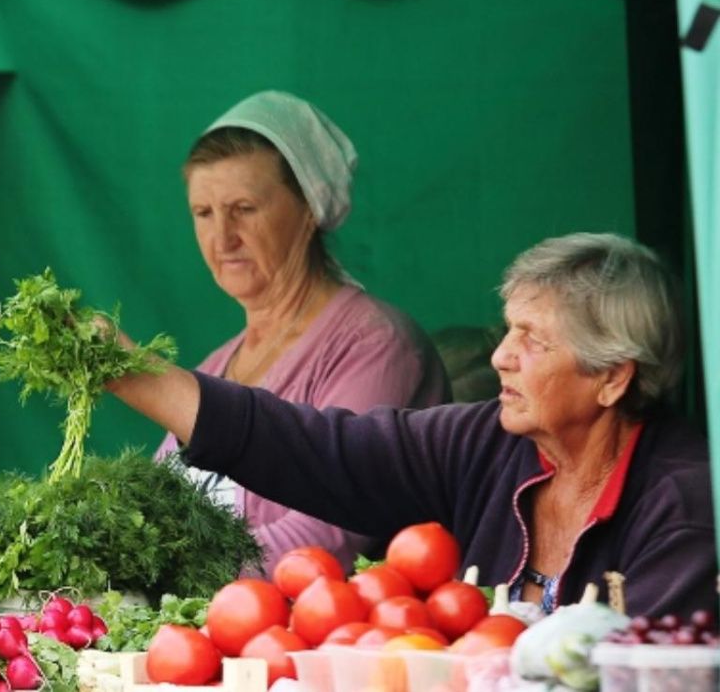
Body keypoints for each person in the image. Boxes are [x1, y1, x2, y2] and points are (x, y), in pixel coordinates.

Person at [115, 232, 715, 617]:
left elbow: (644, 673)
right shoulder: (486, 443)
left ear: (613, 378)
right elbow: (323, 451)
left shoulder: (684, 502)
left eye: (532, 340)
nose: (501, 355)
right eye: (507, 329)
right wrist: (127, 372)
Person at [157, 90, 450, 574]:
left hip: (328, 639)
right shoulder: (215, 366)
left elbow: (325, 538)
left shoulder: (377, 345)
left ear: (310, 208)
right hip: (212, 633)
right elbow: (150, 513)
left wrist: (167, 578)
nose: (222, 237)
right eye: (203, 213)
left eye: (244, 208)